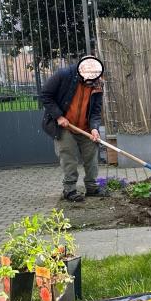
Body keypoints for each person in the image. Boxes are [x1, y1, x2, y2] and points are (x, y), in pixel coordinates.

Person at [41, 56, 104, 202]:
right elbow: (45, 95)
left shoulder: (98, 84)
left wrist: (94, 128)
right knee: (69, 157)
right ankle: (69, 190)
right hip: (65, 125)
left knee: (91, 155)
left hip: (85, 127)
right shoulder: (64, 75)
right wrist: (58, 116)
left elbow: (96, 110)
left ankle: (92, 188)